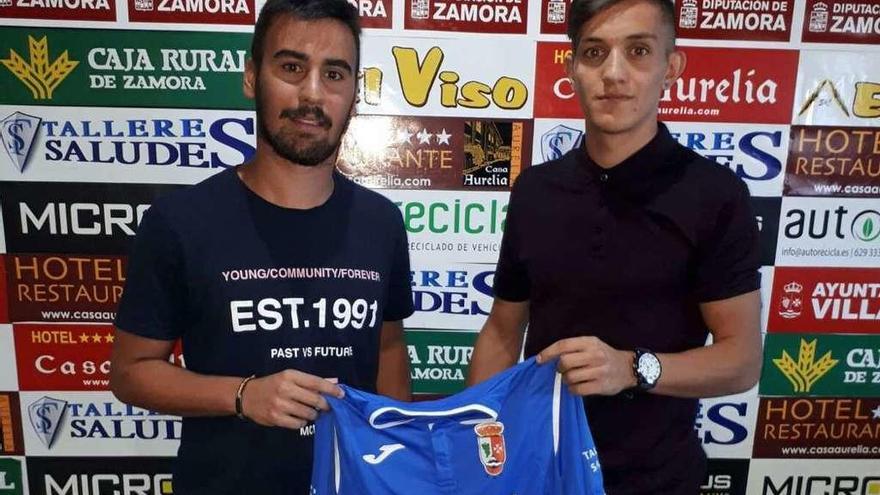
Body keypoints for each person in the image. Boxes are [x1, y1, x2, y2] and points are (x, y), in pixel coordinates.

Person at [109, 1, 413, 493]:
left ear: (354, 94)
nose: (312, 94)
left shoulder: (381, 222)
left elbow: (388, 346)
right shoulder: (181, 221)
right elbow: (130, 373)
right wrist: (244, 395)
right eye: (292, 67)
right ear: (253, 77)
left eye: (334, 74)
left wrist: (396, 457)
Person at [466, 0, 762, 492]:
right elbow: (501, 332)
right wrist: (477, 438)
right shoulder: (535, 191)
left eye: (639, 51)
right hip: (540, 471)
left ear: (672, 66)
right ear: (572, 68)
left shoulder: (714, 194)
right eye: (595, 52)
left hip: (660, 480)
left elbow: (742, 361)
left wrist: (632, 367)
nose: (614, 73)